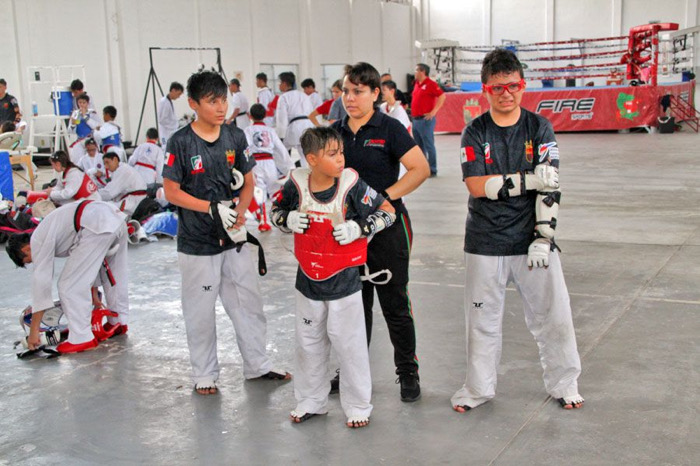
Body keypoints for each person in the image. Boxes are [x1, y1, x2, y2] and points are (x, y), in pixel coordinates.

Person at [451, 48, 584, 413]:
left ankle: (565, 383)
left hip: (532, 242)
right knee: (481, 321)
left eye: (513, 85)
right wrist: (527, 179)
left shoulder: (538, 126)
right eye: (498, 88)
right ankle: (477, 389)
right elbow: (477, 186)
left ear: (523, 85)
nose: (506, 93)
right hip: (485, 241)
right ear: (485, 90)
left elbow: (551, 184)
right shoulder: (475, 132)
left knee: (554, 316)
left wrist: (544, 237)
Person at [162, 70, 290, 395]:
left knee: (248, 303)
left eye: (224, 100)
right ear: (193, 104)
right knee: (200, 311)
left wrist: (241, 212)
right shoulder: (180, 141)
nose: (221, 107)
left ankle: (258, 365)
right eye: (212, 101)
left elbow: (248, 180)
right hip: (197, 244)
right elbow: (171, 191)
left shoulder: (235, 136)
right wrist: (209, 208)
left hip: (234, 239)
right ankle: (204, 373)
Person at [271, 127, 396, 428]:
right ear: (311, 159)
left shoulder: (352, 184)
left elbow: (388, 211)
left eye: (341, 152)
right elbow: (275, 210)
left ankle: (358, 406)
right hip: (307, 281)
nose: (341, 159)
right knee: (308, 343)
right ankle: (311, 400)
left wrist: (361, 228)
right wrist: (286, 220)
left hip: (344, 283)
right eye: (332, 154)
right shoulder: (296, 183)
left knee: (350, 346)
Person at [331, 62, 430, 401]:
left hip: (388, 229)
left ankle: (407, 373)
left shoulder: (389, 128)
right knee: (354, 306)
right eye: (345, 91)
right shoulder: (335, 133)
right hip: (347, 232)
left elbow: (420, 168)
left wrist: (386, 198)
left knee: (395, 304)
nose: (350, 98)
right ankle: (351, 372)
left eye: (357, 91)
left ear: (375, 93)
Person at [6, 201, 129, 353]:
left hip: (95, 224)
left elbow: (41, 284)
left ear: (26, 249)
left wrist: (34, 331)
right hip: (112, 218)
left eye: (29, 260)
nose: (34, 262)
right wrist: (94, 295)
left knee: (68, 285)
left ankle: (81, 338)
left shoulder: (37, 239)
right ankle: (118, 321)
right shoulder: (52, 229)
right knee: (114, 275)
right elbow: (90, 264)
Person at [243, 103, 293, 231]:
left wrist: (244, 164)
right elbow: (280, 148)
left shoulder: (248, 130)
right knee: (275, 190)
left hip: (255, 163)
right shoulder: (270, 130)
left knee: (260, 191)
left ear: (250, 116)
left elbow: (246, 147)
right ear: (265, 115)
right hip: (270, 162)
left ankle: (263, 222)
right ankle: (285, 216)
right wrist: (289, 165)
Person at [411, 63, 445, 177]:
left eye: (416, 70)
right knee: (419, 146)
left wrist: (433, 112)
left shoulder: (431, 84)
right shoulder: (416, 84)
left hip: (425, 120)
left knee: (429, 145)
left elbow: (442, 96)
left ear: (422, 72)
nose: (414, 73)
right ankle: (423, 168)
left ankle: (432, 169)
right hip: (415, 120)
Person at [276, 72, 315, 167]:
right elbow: (311, 112)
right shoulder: (304, 95)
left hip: (295, 127)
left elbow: (282, 119)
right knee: (305, 153)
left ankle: (288, 171)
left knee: (281, 150)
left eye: (280, 82)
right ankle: (306, 172)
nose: (279, 85)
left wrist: (280, 136)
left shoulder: (284, 97)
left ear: (284, 83)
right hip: (308, 125)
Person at [98, 151, 148, 217]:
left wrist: (94, 194)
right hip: (133, 200)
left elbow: (109, 193)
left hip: (134, 202)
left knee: (106, 208)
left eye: (107, 162)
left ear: (115, 160)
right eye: (104, 164)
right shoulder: (121, 169)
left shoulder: (123, 170)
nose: (106, 167)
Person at [68, 94, 101, 164]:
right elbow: (70, 131)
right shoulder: (75, 114)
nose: (82, 105)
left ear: (87, 103)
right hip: (79, 139)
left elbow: (96, 126)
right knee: (76, 160)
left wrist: (85, 116)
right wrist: (73, 124)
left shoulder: (92, 113)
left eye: (84, 103)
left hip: (90, 139)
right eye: (80, 103)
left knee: (93, 160)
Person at [157, 82, 184, 146]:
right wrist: (174, 125)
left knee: (171, 151)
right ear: (173, 90)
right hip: (165, 133)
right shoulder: (164, 102)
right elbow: (162, 120)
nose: (179, 97)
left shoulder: (169, 102)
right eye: (178, 94)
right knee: (165, 150)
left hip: (170, 132)